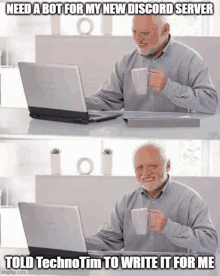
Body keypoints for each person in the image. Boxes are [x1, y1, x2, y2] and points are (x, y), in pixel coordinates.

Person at [85, 143, 218, 253]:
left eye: (153, 166)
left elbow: (211, 244)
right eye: (139, 168)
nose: (146, 173)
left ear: (168, 165)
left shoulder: (190, 199)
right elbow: (107, 240)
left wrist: (168, 226)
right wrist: (77, 242)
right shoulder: (126, 202)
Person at [85, 15, 218, 114]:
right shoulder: (126, 62)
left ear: (165, 30)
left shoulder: (190, 60)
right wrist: (79, 103)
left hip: (177, 134)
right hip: (134, 134)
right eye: (134, 32)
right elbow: (107, 100)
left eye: (145, 33)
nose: (138, 39)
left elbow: (210, 104)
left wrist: (168, 87)